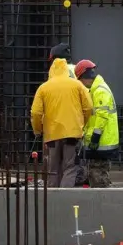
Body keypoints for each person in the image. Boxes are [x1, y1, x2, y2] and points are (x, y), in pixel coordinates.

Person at [31, 55, 92, 188]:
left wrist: (38, 130)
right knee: (70, 167)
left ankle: (52, 199)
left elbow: (36, 113)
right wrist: (82, 124)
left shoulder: (43, 88)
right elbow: (88, 108)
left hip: (52, 135)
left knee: (53, 169)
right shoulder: (77, 85)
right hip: (72, 134)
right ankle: (65, 198)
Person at [75, 59, 119, 187]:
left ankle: (104, 201)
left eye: (80, 80)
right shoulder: (96, 89)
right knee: (97, 173)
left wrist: (95, 137)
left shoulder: (99, 91)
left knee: (98, 175)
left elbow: (101, 116)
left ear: (84, 77)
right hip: (102, 141)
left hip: (102, 141)